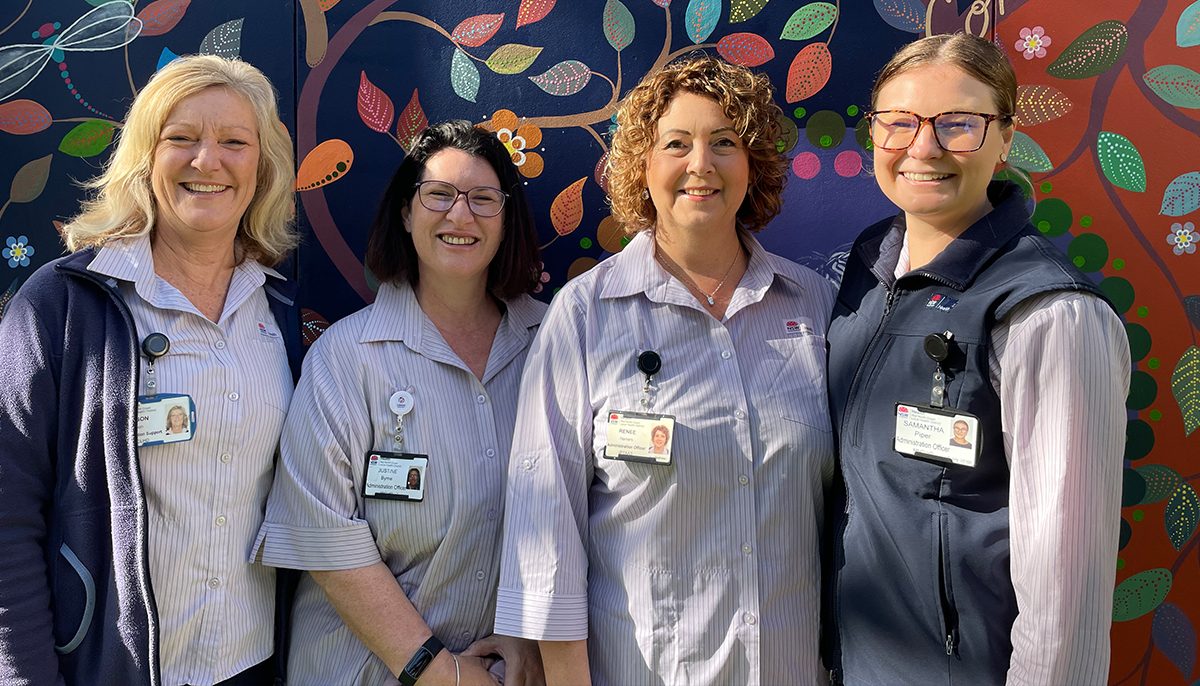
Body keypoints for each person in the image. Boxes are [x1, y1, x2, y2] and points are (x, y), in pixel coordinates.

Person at [495, 55, 835, 685]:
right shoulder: (588, 314)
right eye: (676, 143)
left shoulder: (812, 306)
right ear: (642, 166)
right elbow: (546, 532)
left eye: (725, 142)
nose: (700, 164)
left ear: (752, 163)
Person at [823, 33, 1129, 686]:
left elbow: (1065, 583)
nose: (923, 147)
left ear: (1006, 137)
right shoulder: (866, 267)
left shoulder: (1049, 313)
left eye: (959, 124)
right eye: (899, 123)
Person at [0, 55, 301, 685]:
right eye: (181, 139)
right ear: (146, 156)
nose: (207, 161)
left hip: (253, 666)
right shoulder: (62, 305)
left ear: (262, 167)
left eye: (233, 142)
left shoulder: (279, 313)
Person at [254, 120, 547, 686]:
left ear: (507, 222)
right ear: (406, 213)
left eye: (483, 200)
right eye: (438, 195)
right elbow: (325, 535)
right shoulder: (347, 357)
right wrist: (438, 672)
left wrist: (532, 635)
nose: (459, 216)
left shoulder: (552, 344)